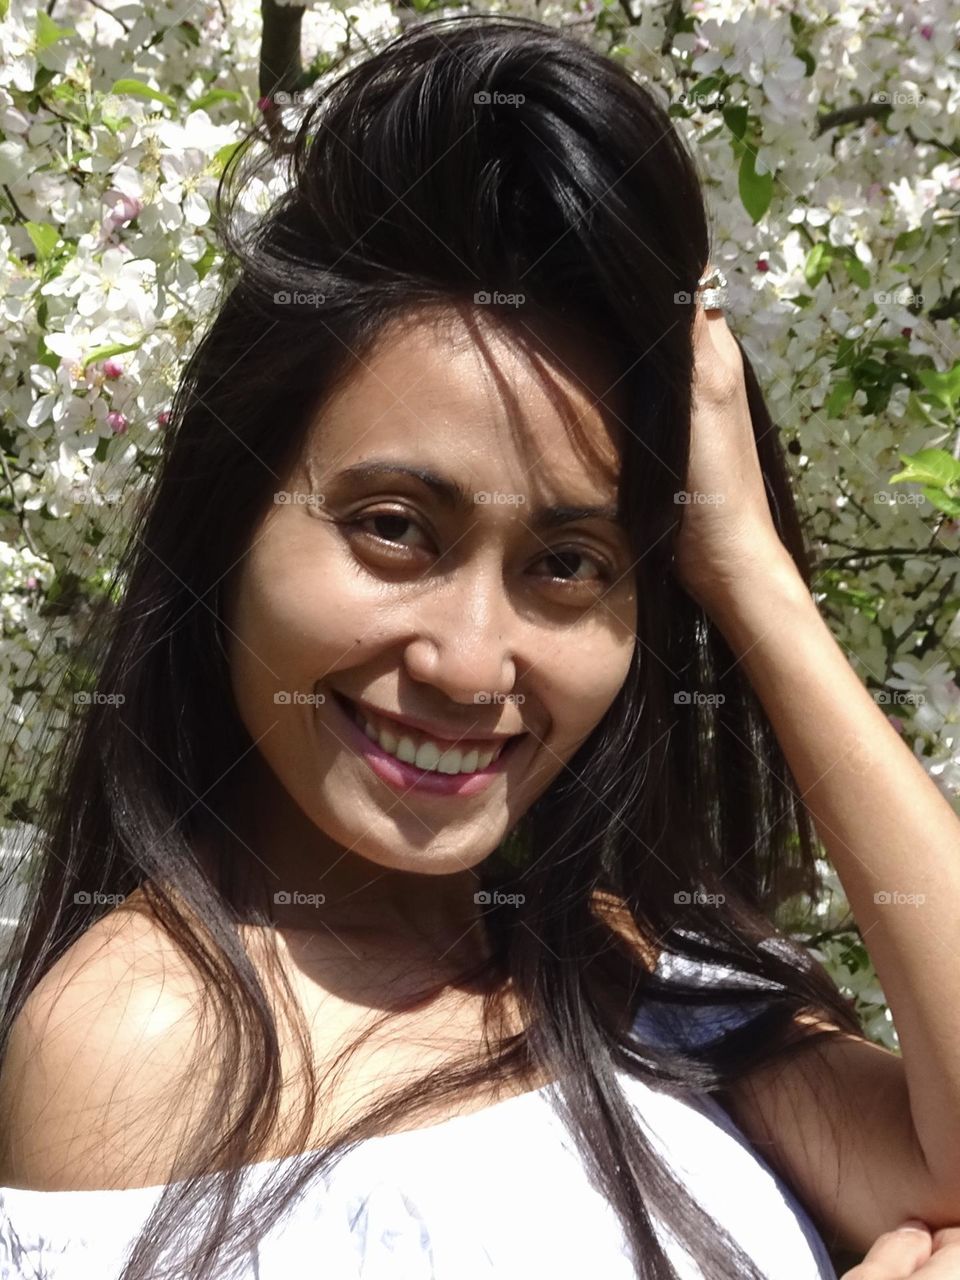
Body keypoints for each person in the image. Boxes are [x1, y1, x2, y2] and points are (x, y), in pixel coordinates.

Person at [1, 13, 959, 1280]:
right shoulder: (150, 1033)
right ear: (229, 526)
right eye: (394, 528)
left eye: (569, 563)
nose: (469, 661)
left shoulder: (618, 963)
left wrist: (753, 577)